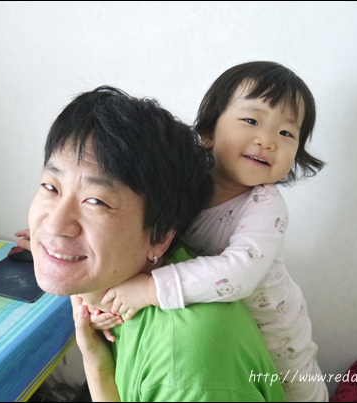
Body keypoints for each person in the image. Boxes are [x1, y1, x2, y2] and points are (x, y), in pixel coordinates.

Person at [23, 85, 285, 401]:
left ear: (160, 237)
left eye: (96, 201)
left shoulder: (186, 369)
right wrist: (94, 360)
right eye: (51, 187)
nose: (54, 225)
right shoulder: (109, 283)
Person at [93, 62, 329, 402]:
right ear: (208, 132)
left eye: (286, 133)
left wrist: (149, 288)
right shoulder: (185, 186)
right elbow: (133, 214)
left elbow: (239, 273)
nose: (267, 141)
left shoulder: (265, 206)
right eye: (252, 121)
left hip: (281, 349)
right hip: (225, 337)